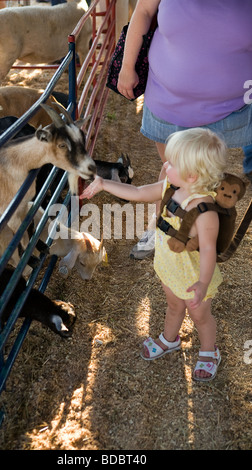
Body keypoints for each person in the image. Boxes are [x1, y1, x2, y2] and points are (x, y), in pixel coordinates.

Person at [80, 127, 227, 382]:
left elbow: (208, 252)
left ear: (192, 175)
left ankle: (208, 351)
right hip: (170, 267)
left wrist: (203, 284)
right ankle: (170, 339)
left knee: (201, 317)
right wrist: (104, 183)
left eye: (172, 163)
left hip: (194, 276)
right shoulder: (172, 187)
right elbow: (138, 193)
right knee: (173, 305)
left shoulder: (205, 213)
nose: (166, 165)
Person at [117, 0, 252, 259]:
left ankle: (204, 231)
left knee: (205, 174)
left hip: (233, 106)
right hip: (169, 99)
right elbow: (143, 11)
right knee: (174, 169)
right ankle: (159, 227)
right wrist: (127, 66)